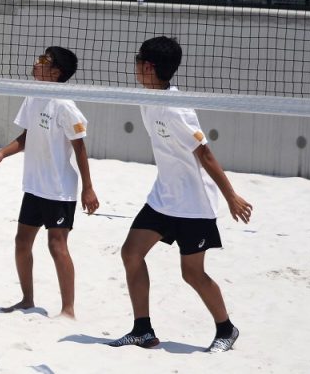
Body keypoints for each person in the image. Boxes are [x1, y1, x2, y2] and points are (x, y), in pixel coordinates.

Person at [108, 36, 253, 353]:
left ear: (148, 67)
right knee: (131, 253)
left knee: (192, 273)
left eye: (137, 60)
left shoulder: (177, 109)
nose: (134, 65)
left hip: (193, 204)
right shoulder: (147, 97)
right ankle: (142, 330)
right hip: (163, 197)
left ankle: (226, 329)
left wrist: (231, 196)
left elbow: (206, 154)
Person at [0, 46, 99, 318]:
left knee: (56, 246)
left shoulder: (65, 106)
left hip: (59, 190)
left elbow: (80, 148)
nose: (36, 63)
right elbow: (27, 137)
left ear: (56, 72)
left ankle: (68, 310)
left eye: (43, 60)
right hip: (35, 186)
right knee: (21, 242)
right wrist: (2, 154)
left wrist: (88, 188)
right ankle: (27, 300)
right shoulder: (33, 95)